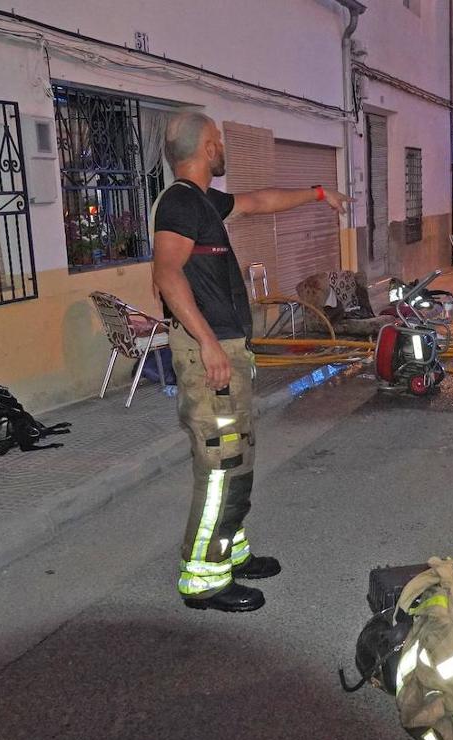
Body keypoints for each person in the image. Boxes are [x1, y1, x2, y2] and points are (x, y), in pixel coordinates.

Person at [152, 111, 349, 613]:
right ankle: (203, 579)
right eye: (218, 141)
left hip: (226, 352)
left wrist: (319, 194)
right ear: (205, 147)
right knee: (220, 466)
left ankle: (231, 553)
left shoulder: (203, 202)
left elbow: (261, 202)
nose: (223, 149)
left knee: (237, 457)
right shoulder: (178, 203)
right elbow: (168, 275)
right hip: (209, 355)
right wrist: (209, 345)